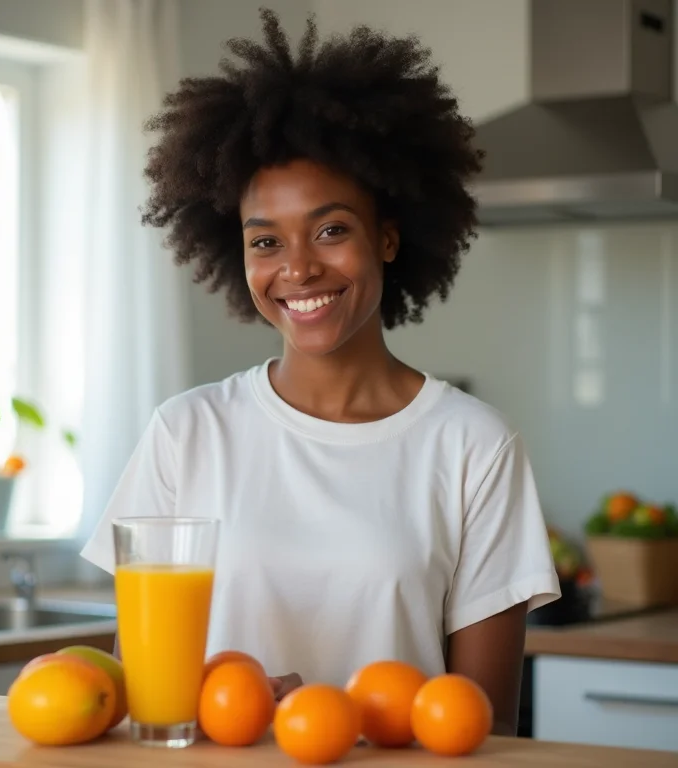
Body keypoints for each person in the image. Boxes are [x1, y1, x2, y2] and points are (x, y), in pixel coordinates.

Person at [80, 8, 560, 736]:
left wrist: (338, 720)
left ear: (389, 238)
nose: (298, 267)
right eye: (265, 240)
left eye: (331, 229)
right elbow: (143, 697)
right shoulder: (187, 431)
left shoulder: (474, 447)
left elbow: (480, 729)